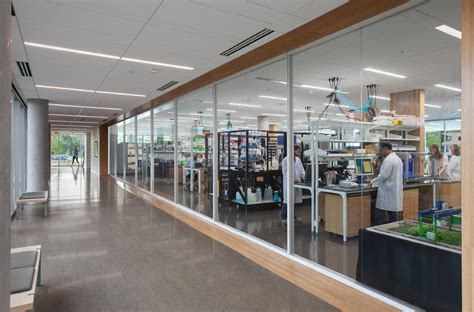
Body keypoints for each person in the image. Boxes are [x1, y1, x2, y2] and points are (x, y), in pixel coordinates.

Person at [369, 142, 403, 225]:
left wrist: (371, 182)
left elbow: (383, 175)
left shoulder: (388, 160)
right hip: (394, 191)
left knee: (380, 213)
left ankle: (380, 233)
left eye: (381, 150)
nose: (380, 152)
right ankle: (393, 232)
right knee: (393, 214)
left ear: (385, 149)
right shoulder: (397, 159)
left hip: (387, 191)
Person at [281, 145, 305, 226]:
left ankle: (292, 217)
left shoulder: (298, 159)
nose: (299, 153)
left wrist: (306, 177)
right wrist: (292, 180)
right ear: (293, 150)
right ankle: (284, 218)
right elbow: (285, 173)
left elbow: (302, 171)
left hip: (297, 183)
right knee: (287, 201)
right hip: (289, 184)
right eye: (298, 151)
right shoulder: (285, 160)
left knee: (294, 201)